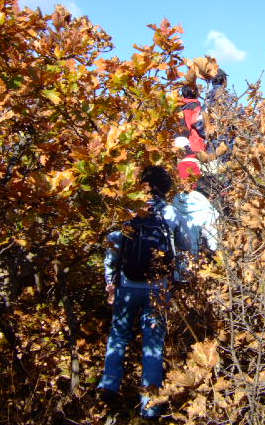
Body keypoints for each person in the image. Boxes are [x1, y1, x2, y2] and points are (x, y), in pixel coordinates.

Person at [99, 165, 191, 418]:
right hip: (158, 288)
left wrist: (110, 279)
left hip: (127, 285)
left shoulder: (130, 210)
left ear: (143, 184)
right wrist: (180, 276)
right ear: (166, 187)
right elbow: (185, 244)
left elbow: (113, 246)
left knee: (119, 333)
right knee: (153, 343)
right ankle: (150, 406)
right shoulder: (170, 212)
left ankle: (109, 384)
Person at [180, 84, 207, 154]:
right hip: (194, 143)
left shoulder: (179, 106)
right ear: (194, 92)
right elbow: (197, 122)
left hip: (179, 142)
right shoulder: (195, 105)